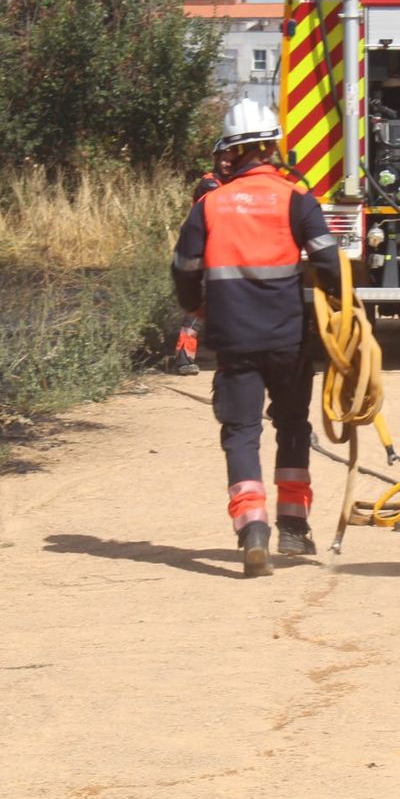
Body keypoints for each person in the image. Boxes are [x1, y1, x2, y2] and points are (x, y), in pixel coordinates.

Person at [171, 98, 342, 578]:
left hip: (233, 343)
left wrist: (196, 305)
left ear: (233, 150)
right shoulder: (297, 199)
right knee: (292, 426)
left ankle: (252, 529)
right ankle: (293, 525)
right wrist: (338, 305)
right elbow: (328, 262)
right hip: (288, 340)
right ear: (271, 147)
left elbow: (184, 269)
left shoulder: (209, 204)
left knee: (242, 432)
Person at [170, 147, 236, 376]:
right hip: (209, 253)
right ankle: (183, 356)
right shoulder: (209, 184)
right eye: (224, 159)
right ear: (216, 159)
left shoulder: (235, 182)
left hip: (229, 253)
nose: (227, 164)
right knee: (200, 306)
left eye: (231, 160)